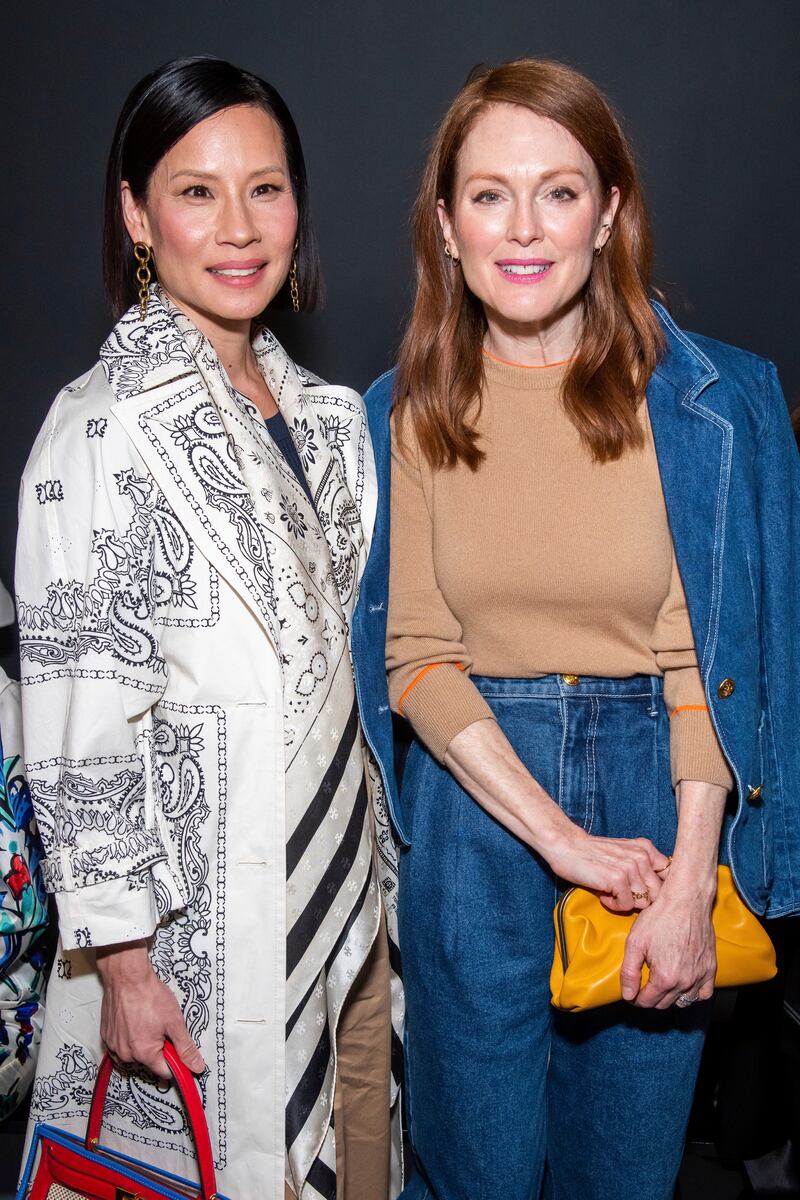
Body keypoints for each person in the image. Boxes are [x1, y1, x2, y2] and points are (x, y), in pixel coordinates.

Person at [359, 58, 800, 1200]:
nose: (522, 227)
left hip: (664, 806)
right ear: (445, 226)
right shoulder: (397, 413)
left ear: (606, 214)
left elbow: (714, 659)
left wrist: (688, 883)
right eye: (487, 193)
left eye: (557, 191)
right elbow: (414, 654)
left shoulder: (713, 401)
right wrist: (559, 841)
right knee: (477, 1175)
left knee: (625, 1175)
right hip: (475, 817)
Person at [16, 56, 402, 1200]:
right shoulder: (101, 426)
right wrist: (126, 966)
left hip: (354, 920)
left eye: (266, 189)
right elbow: (78, 718)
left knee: (362, 1167)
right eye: (194, 191)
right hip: (200, 941)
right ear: (137, 213)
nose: (238, 228)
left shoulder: (331, 419)